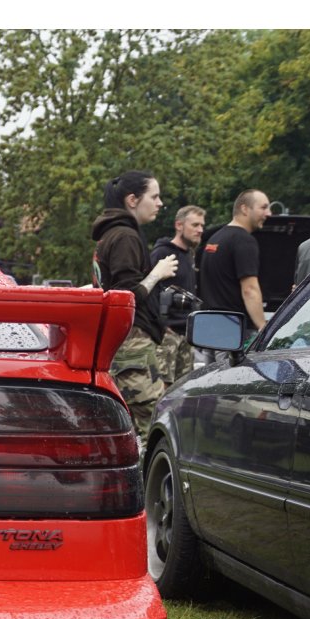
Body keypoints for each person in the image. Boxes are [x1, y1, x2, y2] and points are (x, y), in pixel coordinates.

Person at [91, 171, 179, 441]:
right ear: (132, 200)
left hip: (125, 346)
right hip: (133, 348)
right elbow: (124, 296)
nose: (160, 203)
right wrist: (158, 273)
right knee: (155, 427)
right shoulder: (125, 237)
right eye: (154, 196)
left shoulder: (110, 235)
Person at [200, 189, 272, 335]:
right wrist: (263, 328)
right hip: (234, 333)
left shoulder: (215, 238)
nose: (269, 213)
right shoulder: (244, 240)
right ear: (244, 209)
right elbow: (249, 289)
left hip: (210, 330)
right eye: (263, 207)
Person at [149, 204, 205, 385]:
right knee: (162, 387)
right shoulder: (163, 252)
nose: (200, 230)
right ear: (179, 225)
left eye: (202, 226)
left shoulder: (189, 255)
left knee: (182, 388)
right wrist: (162, 325)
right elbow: (150, 289)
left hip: (187, 333)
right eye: (195, 225)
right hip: (168, 334)